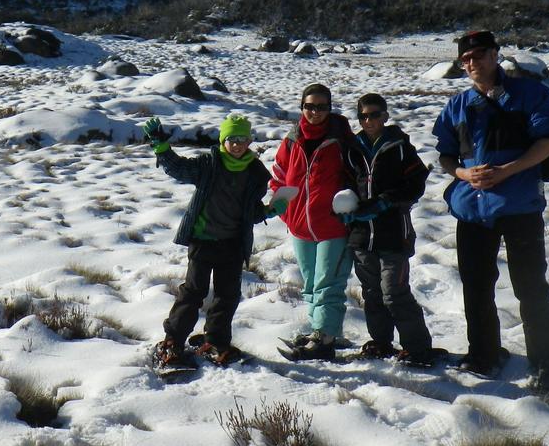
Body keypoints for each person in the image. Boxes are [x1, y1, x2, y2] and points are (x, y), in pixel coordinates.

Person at [432, 30, 549, 404]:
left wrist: (507, 170)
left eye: (479, 55)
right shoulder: (457, 105)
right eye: (465, 59)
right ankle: (484, 353)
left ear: (496, 55)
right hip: (473, 209)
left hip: (519, 206)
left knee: (530, 288)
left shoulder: (532, 94)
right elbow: (446, 155)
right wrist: (463, 175)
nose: (471, 63)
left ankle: (547, 363)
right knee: (475, 285)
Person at [141, 112, 274, 367]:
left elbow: (250, 212)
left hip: (233, 243)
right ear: (223, 139)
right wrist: (161, 147)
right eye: (231, 138)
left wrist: (269, 210)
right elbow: (179, 168)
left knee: (228, 295)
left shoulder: (256, 173)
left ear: (249, 141)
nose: (236, 144)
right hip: (203, 241)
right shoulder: (208, 164)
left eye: (242, 138)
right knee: (194, 292)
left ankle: (216, 340)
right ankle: (173, 341)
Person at [271, 83, 363, 361]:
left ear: (330, 108)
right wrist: (285, 212)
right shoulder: (291, 140)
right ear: (302, 107)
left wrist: (350, 207)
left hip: (332, 226)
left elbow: (359, 178)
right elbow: (278, 176)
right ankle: (320, 331)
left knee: (328, 283)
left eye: (322, 107)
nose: (315, 112)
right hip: (300, 225)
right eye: (310, 106)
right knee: (311, 283)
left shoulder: (342, 140)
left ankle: (324, 338)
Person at [343, 93, 436, 365]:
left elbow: (416, 184)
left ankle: (418, 348)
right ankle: (381, 343)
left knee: (394, 293)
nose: (369, 120)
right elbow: (346, 184)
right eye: (363, 116)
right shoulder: (353, 149)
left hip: (394, 234)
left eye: (374, 114)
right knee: (372, 294)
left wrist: (386, 201)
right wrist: (345, 209)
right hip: (362, 235)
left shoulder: (400, 147)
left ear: (385, 115)